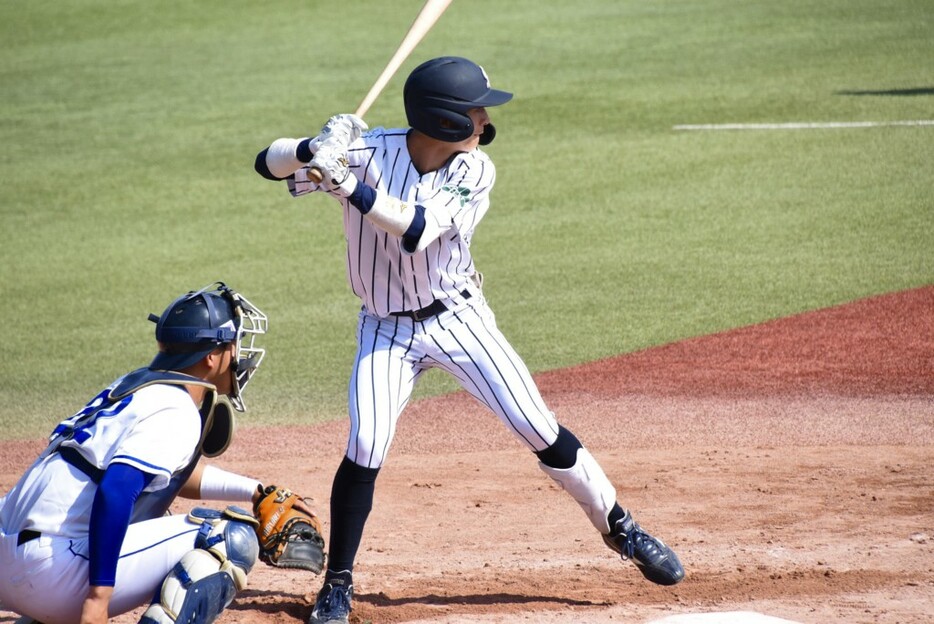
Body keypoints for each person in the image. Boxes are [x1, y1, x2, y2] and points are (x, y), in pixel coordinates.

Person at [254, 56, 685, 624]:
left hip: (460, 320)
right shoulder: (364, 151)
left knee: (538, 427)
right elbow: (267, 165)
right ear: (445, 119)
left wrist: (345, 183)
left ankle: (621, 528)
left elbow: (416, 228)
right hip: (384, 327)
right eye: (476, 108)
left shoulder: (474, 171)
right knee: (365, 446)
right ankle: (338, 582)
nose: (485, 118)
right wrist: (313, 148)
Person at [0, 282, 305, 624]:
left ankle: (39, 617)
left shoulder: (137, 386)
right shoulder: (176, 409)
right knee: (227, 538)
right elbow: (115, 489)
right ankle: (55, 609)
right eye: (233, 344)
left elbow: (165, 472)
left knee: (145, 504)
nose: (239, 353)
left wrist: (254, 491)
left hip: (8, 559)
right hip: (49, 573)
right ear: (211, 356)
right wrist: (97, 599)